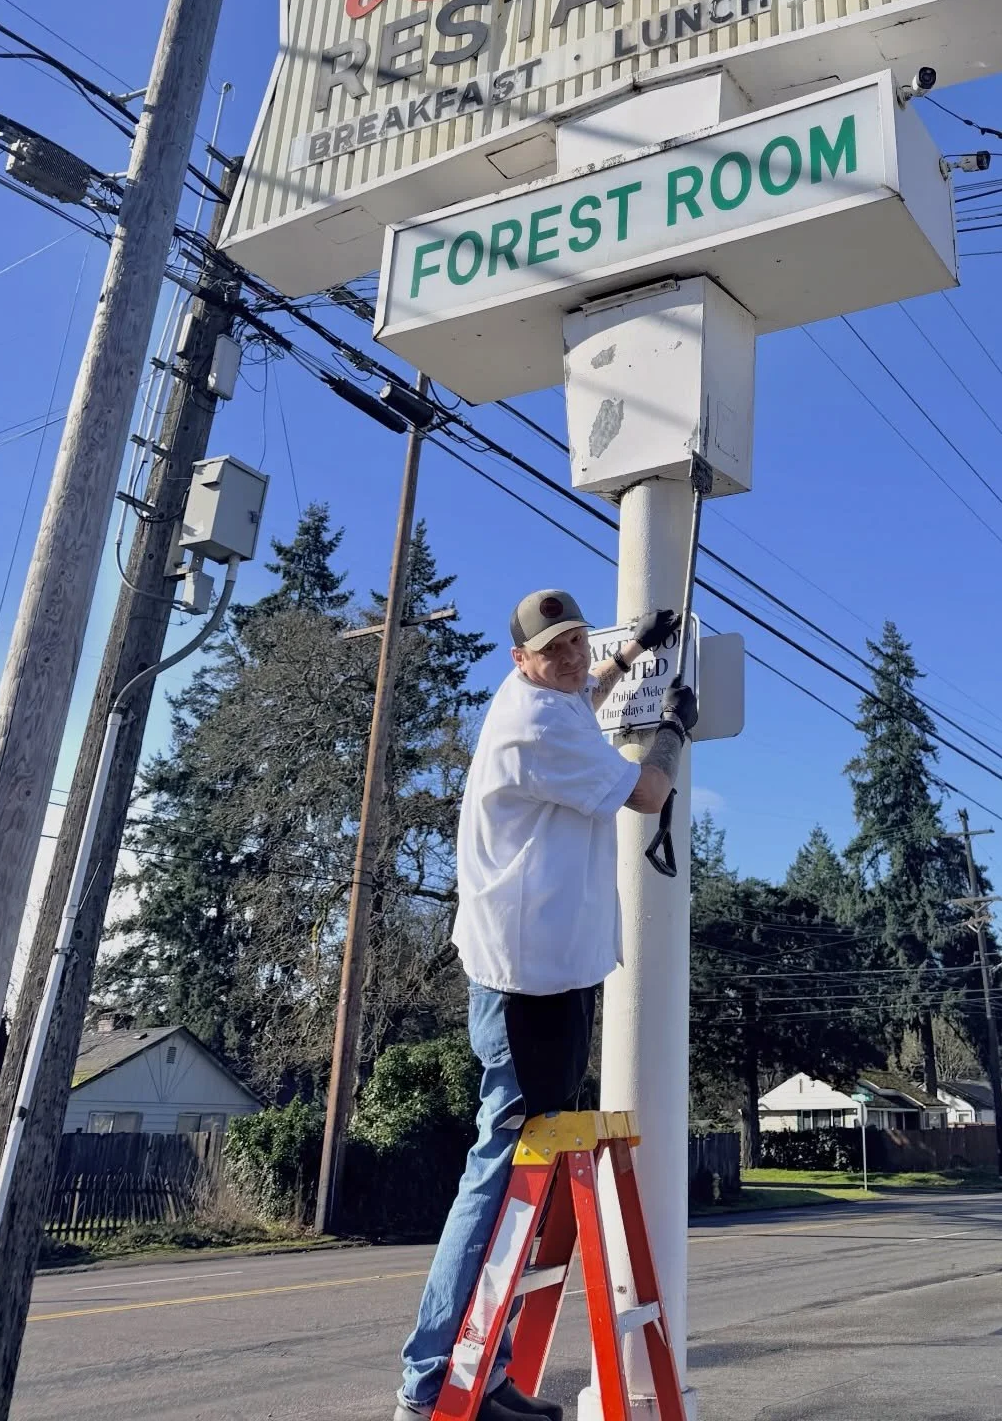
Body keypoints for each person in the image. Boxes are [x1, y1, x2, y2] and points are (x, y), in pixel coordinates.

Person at [396, 587, 696, 1421]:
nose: (571, 658)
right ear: (520, 659)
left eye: (576, 643)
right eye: (553, 648)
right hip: (530, 985)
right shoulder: (540, 724)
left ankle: (480, 1372)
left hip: (540, 975)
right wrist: (672, 728)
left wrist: (633, 652)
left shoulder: (538, 701)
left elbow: (584, 694)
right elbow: (644, 795)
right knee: (498, 1176)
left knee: (517, 1172)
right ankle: (430, 1384)